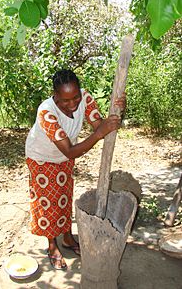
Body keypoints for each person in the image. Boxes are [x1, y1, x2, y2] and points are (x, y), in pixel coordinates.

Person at [25, 69, 126, 270]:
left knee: (63, 197)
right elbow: (72, 150)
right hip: (41, 158)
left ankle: (68, 238)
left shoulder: (85, 98)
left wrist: (118, 112)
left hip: (63, 157)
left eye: (75, 98)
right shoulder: (47, 112)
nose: (72, 104)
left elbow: (101, 125)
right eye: (65, 100)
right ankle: (52, 244)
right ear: (55, 96)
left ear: (80, 92)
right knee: (47, 202)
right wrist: (99, 133)